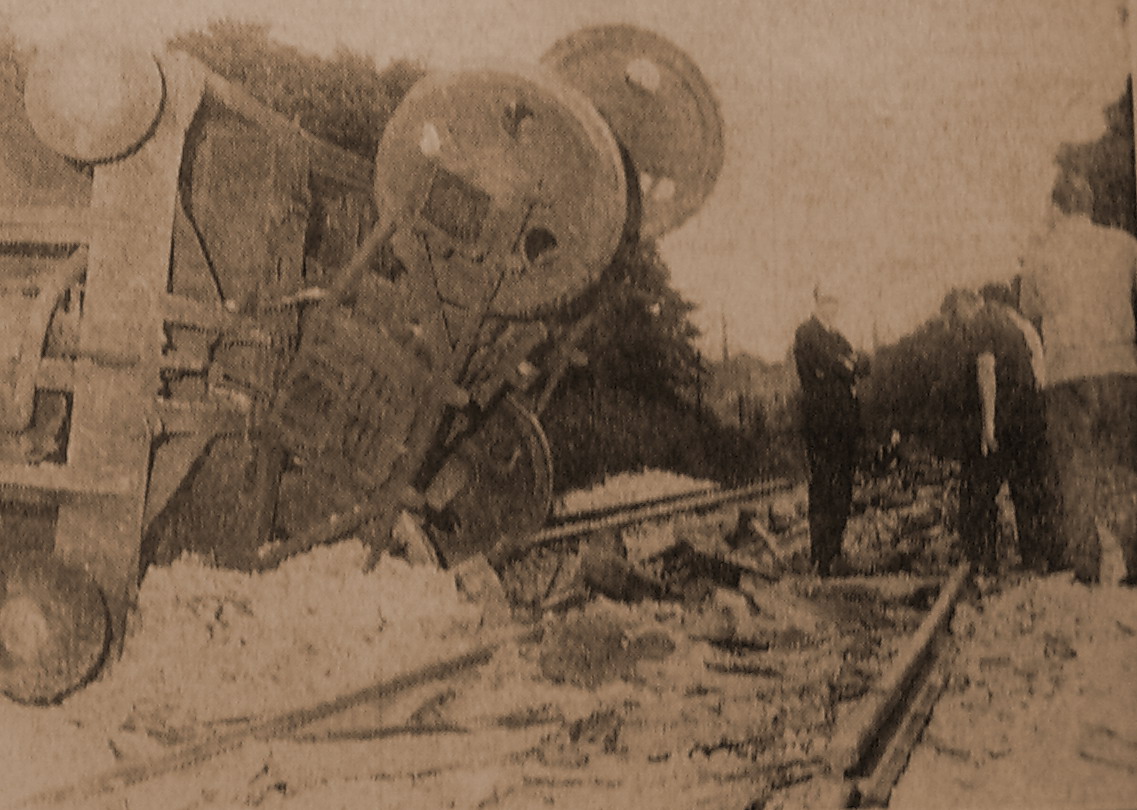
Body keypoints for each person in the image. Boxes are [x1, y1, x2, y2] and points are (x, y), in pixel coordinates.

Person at [1019, 175, 1137, 583]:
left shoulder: (1040, 254)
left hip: (1069, 372)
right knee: (1123, 468)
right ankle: (1135, 560)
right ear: (1089, 205)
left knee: (1076, 471)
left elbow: (1028, 306)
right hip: (1122, 368)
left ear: (1055, 208)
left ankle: (1087, 568)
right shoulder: (1125, 244)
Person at [940, 287, 1053, 574]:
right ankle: (1037, 558)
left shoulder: (980, 322)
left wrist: (988, 424)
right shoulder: (1010, 320)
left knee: (978, 489)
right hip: (1027, 417)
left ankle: (981, 561)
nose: (957, 326)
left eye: (955, 318)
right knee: (1027, 488)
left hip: (1002, 418)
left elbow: (986, 371)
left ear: (963, 307)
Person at [793, 283, 865, 577]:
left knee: (843, 486)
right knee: (824, 486)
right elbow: (833, 364)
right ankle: (820, 555)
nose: (831, 307)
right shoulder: (807, 333)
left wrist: (847, 363)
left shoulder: (837, 336)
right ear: (817, 303)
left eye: (835, 301)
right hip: (822, 422)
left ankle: (835, 551)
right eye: (826, 301)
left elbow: (863, 364)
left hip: (844, 423)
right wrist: (847, 364)